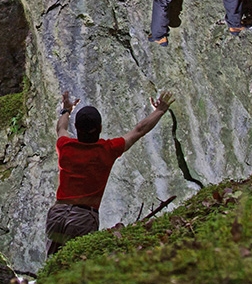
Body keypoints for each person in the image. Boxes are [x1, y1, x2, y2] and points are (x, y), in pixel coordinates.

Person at [45, 89, 174, 257]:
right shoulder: (108, 149)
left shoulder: (65, 146)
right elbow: (139, 130)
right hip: (83, 218)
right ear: (100, 128)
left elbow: (61, 128)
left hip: (58, 213)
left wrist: (66, 110)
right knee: (77, 267)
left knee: (52, 265)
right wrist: (160, 110)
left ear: (76, 128)